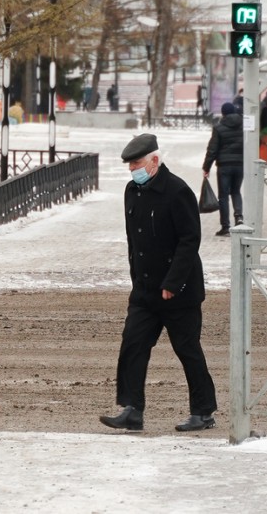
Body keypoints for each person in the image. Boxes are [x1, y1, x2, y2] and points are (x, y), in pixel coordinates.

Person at [99, 133, 217, 432]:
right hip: (144, 291)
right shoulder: (132, 191)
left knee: (187, 350)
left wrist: (173, 283)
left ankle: (203, 412)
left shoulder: (177, 191)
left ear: (154, 160)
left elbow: (189, 241)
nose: (132, 169)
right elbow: (133, 240)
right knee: (133, 345)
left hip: (179, 292)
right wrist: (136, 278)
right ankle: (132, 409)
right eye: (129, 165)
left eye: (136, 163)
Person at [202, 102, 244, 236]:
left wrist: (206, 167)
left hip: (224, 166)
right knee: (236, 191)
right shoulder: (243, 126)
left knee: (223, 196)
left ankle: (225, 227)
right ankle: (239, 218)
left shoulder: (219, 128)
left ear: (223, 113)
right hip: (240, 164)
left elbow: (212, 149)